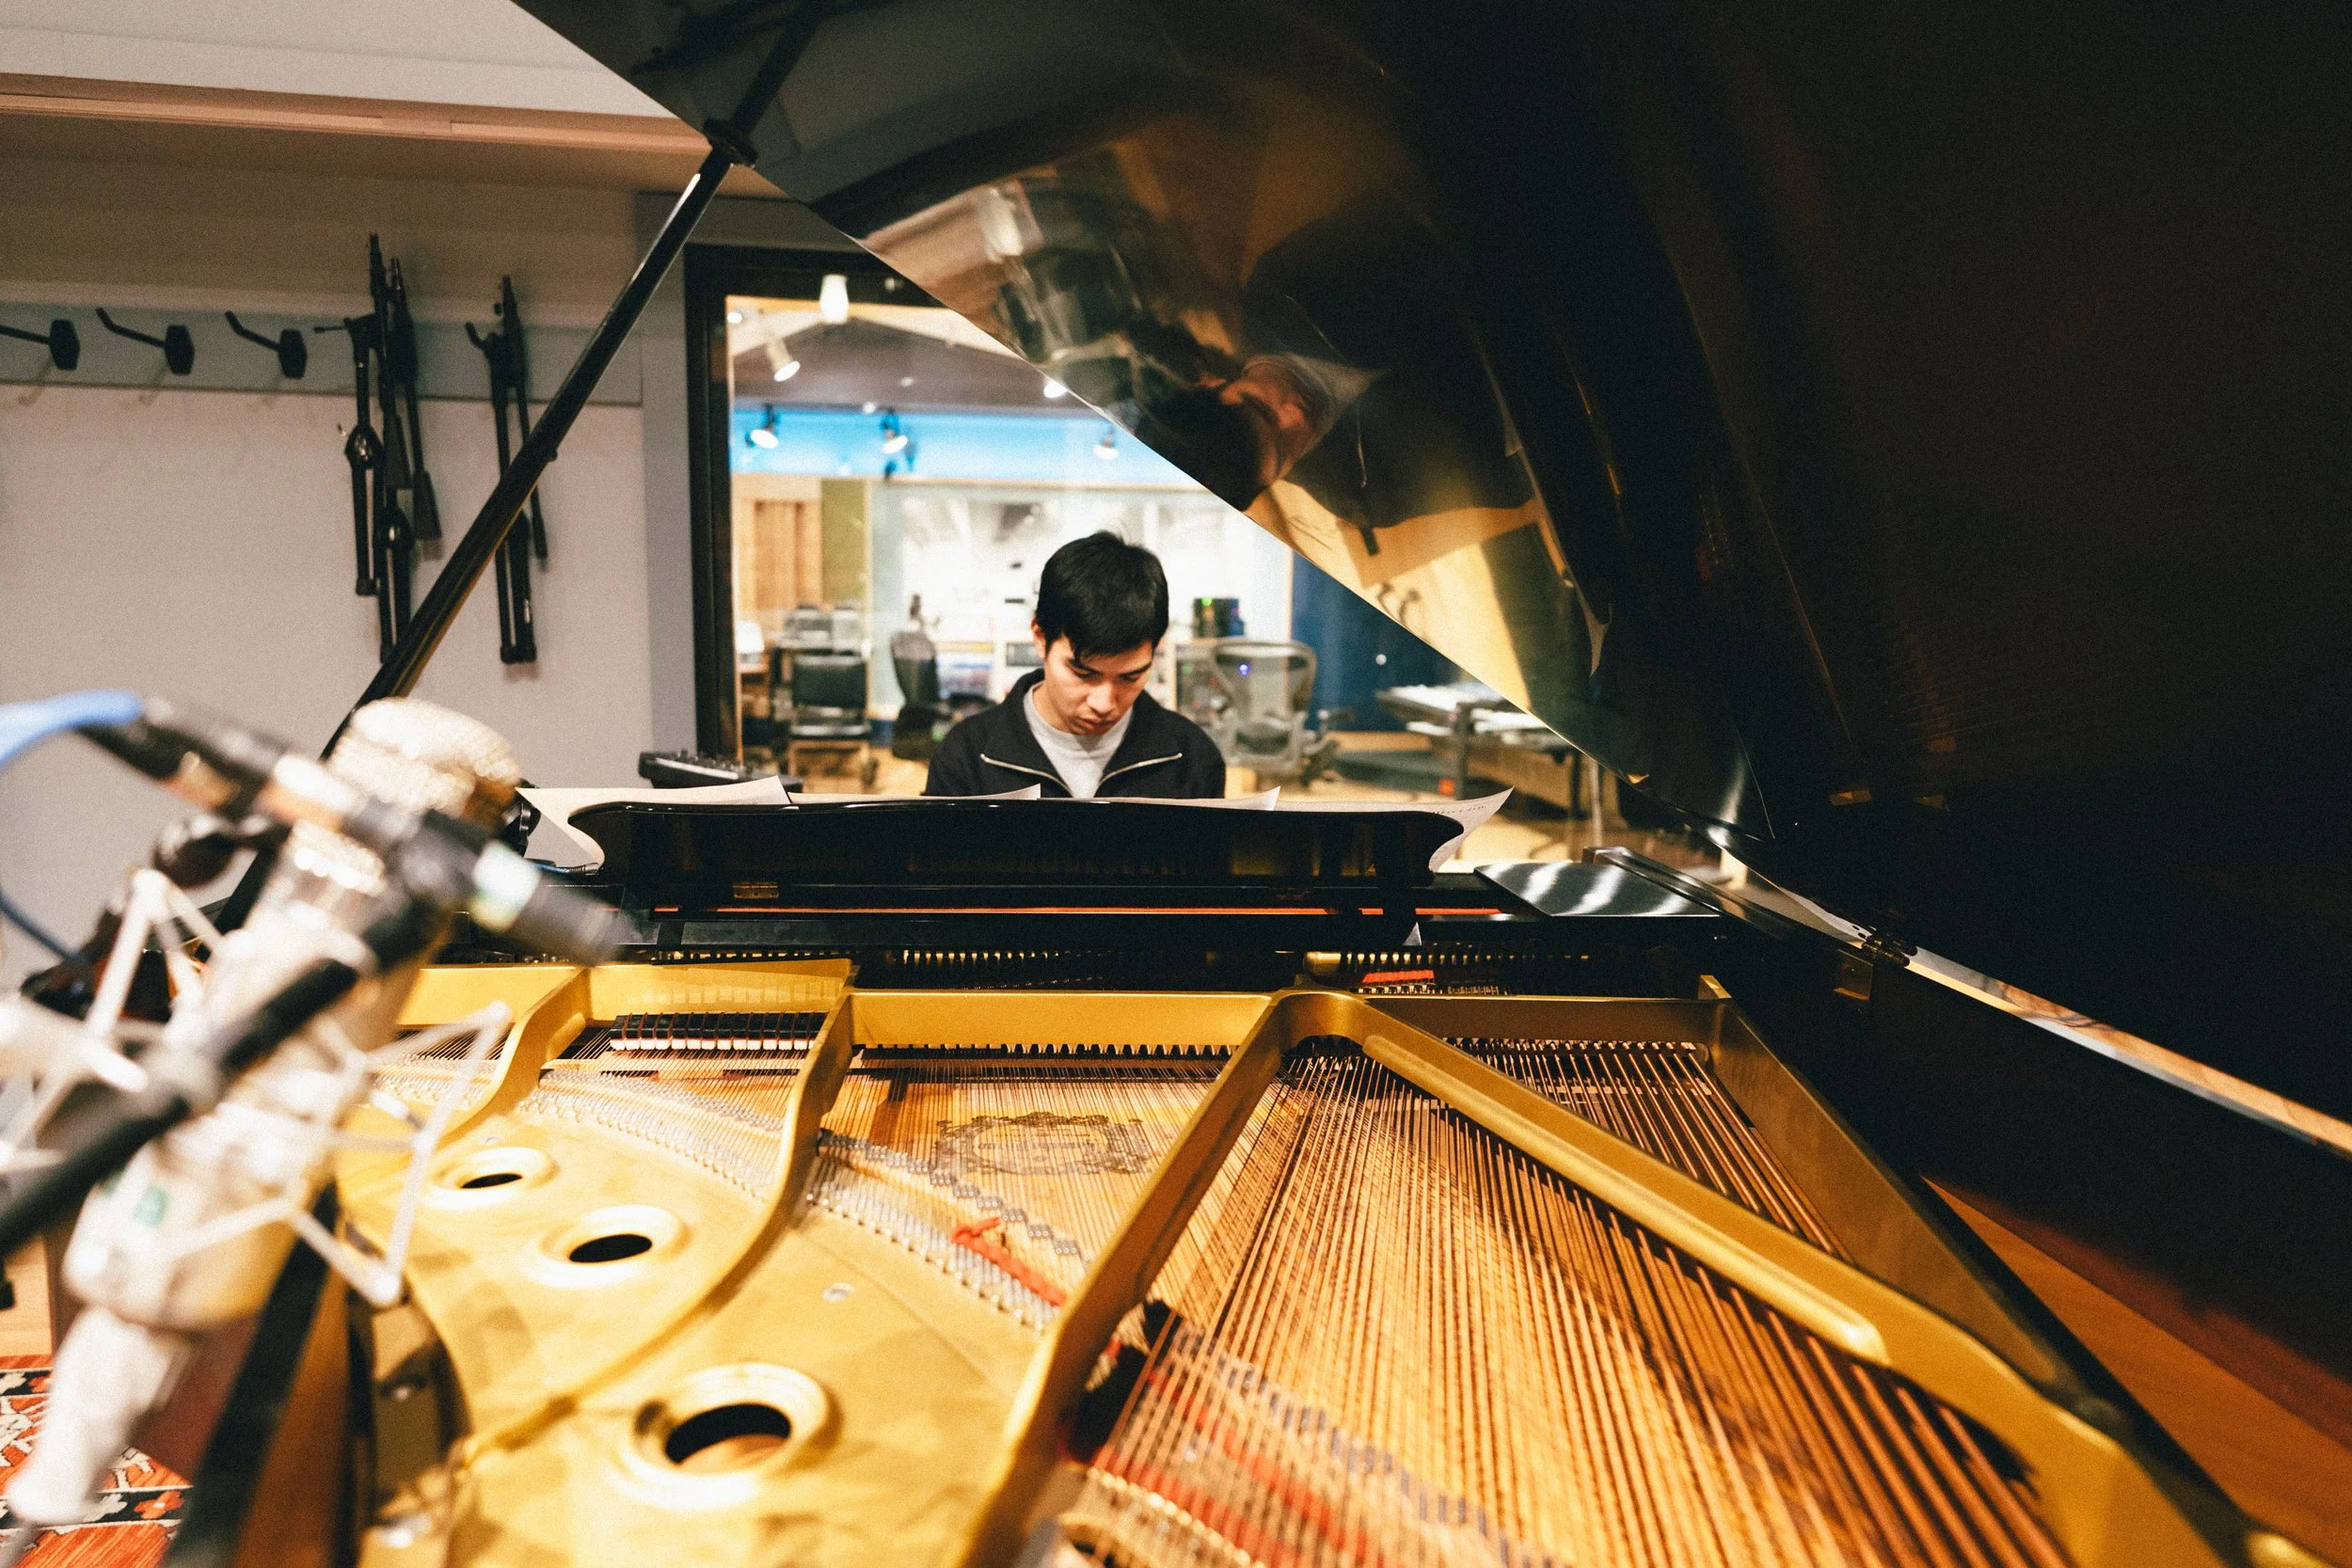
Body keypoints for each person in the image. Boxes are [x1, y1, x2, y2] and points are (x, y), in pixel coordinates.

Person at [924, 531, 1225, 798]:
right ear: (1041, 638)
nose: (1104, 703)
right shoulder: (967, 757)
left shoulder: (1192, 760)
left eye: (1130, 677)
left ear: (1155, 650)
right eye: (1083, 673)